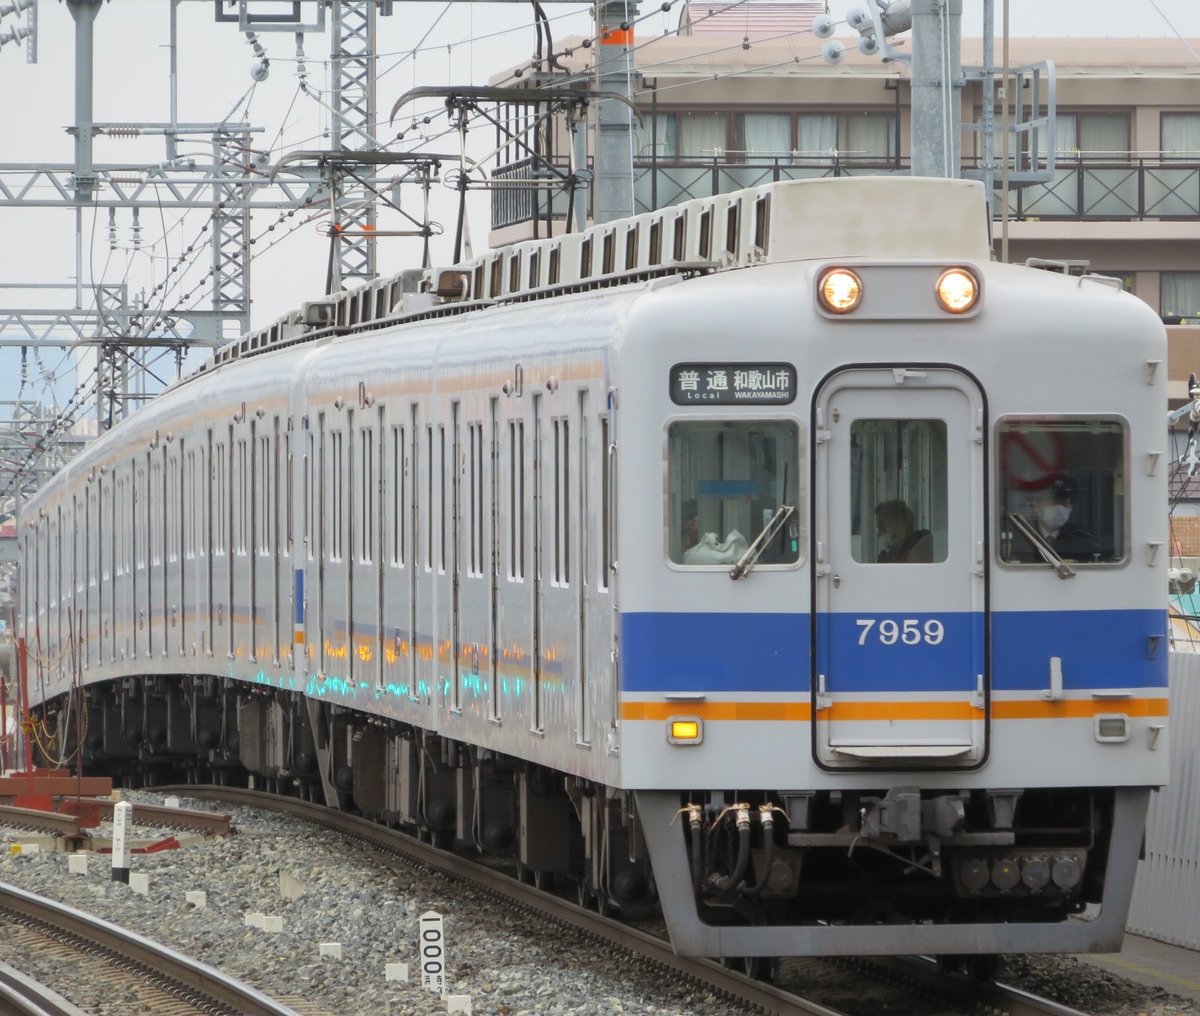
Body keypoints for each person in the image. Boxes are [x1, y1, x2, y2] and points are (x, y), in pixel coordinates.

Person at [1010, 475, 1098, 563]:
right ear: (1036, 504)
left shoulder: (1083, 539)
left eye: (1064, 503)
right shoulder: (1018, 536)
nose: (1060, 508)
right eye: (1054, 502)